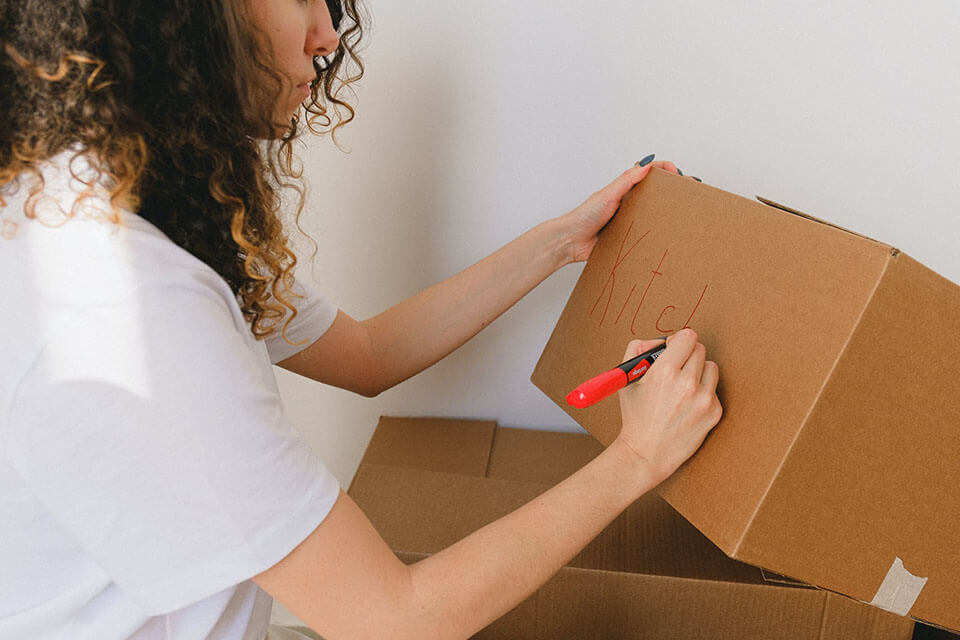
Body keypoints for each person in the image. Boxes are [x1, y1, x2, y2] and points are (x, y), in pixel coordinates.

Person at [0, 1, 722, 639]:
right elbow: (396, 621)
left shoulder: (93, 199)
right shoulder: (130, 304)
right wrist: (639, 458)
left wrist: (564, 240)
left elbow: (369, 355)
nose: (327, 34)